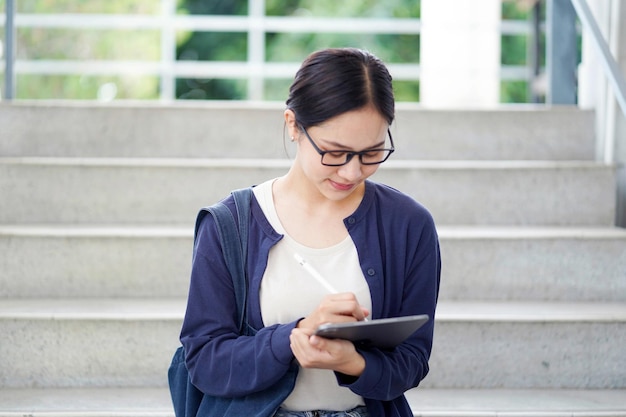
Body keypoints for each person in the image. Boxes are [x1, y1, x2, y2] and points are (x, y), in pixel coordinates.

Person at [180, 47, 441, 417]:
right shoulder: (230, 224)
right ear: (293, 125)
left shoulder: (409, 225)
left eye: (372, 153)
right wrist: (295, 336)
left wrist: (354, 363)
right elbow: (205, 361)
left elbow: (412, 360)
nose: (351, 172)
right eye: (335, 152)